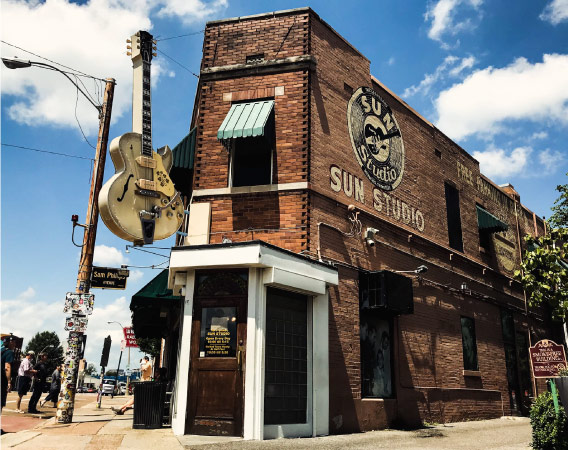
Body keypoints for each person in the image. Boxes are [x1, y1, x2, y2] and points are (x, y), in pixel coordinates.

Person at [2, 339, 16, 418]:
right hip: (2, 380)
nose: (15, 344)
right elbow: (7, 367)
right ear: (10, 342)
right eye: (14, 342)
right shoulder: (9, 352)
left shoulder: (1, 351)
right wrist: (9, 382)